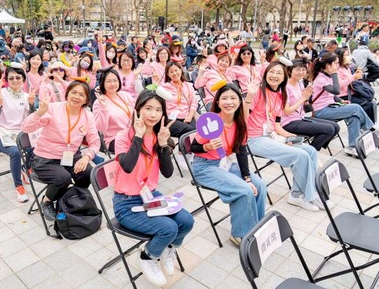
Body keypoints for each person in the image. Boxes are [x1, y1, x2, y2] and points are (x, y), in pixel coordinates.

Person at [113, 89, 194, 287]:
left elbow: (167, 172)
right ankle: (147, 257)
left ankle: (167, 249)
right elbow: (127, 166)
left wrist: (164, 145)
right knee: (169, 228)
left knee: (187, 221)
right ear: (138, 110)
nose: (153, 114)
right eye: (148, 108)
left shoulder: (159, 136)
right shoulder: (123, 136)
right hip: (126, 203)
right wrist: (138, 136)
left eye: (158, 110)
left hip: (150, 196)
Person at [191, 83, 267, 245]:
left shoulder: (240, 123)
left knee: (259, 184)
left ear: (240, 101)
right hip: (204, 166)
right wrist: (207, 146)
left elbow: (241, 151)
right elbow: (193, 147)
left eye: (233, 98)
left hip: (225, 163)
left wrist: (246, 177)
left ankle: (256, 225)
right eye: (224, 98)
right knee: (244, 190)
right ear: (217, 102)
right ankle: (240, 233)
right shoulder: (211, 120)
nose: (229, 102)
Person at [247, 61, 323, 212]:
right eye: (271, 72)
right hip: (253, 139)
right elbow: (242, 120)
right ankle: (310, 195)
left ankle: (296, 194)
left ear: (284, 77)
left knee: (310, 151)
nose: (274, 75)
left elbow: (276, 125)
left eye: (278, 73)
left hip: (271, 136)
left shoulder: (280, 96)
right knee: (300, 155)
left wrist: (291, 137)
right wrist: (249, 96)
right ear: (266, 74)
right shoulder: (257, 93)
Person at [21, 80, 100, 221]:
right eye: (73, 92)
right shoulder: (53, 109)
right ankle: (47, 201)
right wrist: (39, 113)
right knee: (62, 178)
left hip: (70, 156)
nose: (76, 97)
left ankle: (73, 199)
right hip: (45, 158)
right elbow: (26, 129)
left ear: (86, 99)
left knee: (87, 172)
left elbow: (95, 142)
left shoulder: (88, 116)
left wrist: (86, 157)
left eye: (81, 94)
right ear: (67, 93)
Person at [310, 52, 379, 157]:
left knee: (354, 116)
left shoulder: (326, 76)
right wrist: (334, 74)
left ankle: (352, 146)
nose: (338, 65)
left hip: (330, 106)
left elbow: (330, 95)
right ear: (328, 66)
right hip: (321, 111)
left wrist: (340, 101)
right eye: (336, 63)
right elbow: (336, 91)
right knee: (355, 107)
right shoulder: (321, 78)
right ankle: (371, 130)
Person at [0, 66, 35, 203]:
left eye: (18, 77)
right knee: (15, 153)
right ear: (6, 80)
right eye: (11, 78)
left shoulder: (27, 96)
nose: (15, 80)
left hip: (19, 134)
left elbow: (32, 117)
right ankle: (19, 186)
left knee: (37, 147)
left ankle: (25, 170)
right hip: (0, 134)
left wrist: (32, 104)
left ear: (23, 80)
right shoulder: (1, 94)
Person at [282, 59, 340, 151]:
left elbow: (303, 104)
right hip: (288, 122)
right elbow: (287, 111)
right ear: (289, 71)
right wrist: (303, 98)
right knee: (328, 129)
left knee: (335, 127)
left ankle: (311, 149)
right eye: (297, 70)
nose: (301, 72)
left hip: (300, 117)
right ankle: (309, 152)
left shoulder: (299, 84)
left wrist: (307, 99)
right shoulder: (285, 87)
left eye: (303, 70)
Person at [93, 67, 135, 153]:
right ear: (102, 83)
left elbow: (137, 113)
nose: (112, 84)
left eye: (115, 80)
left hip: (133, 133)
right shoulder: (99, 102)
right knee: (135, 149)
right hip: (115, 138)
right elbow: (100, 129)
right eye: (108, 81)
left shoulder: (125, 95)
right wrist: (104, 107)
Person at [162, 61, 198, 130]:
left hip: (188, 115)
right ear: (168, 74)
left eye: (176, 70)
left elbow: (194, 102)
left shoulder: (188, 85)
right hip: (173, 118)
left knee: (197, 131)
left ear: (181, 70)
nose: (174, 73)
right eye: (171, 72)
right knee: (189, 130)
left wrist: (190, 116)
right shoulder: (165, 87)